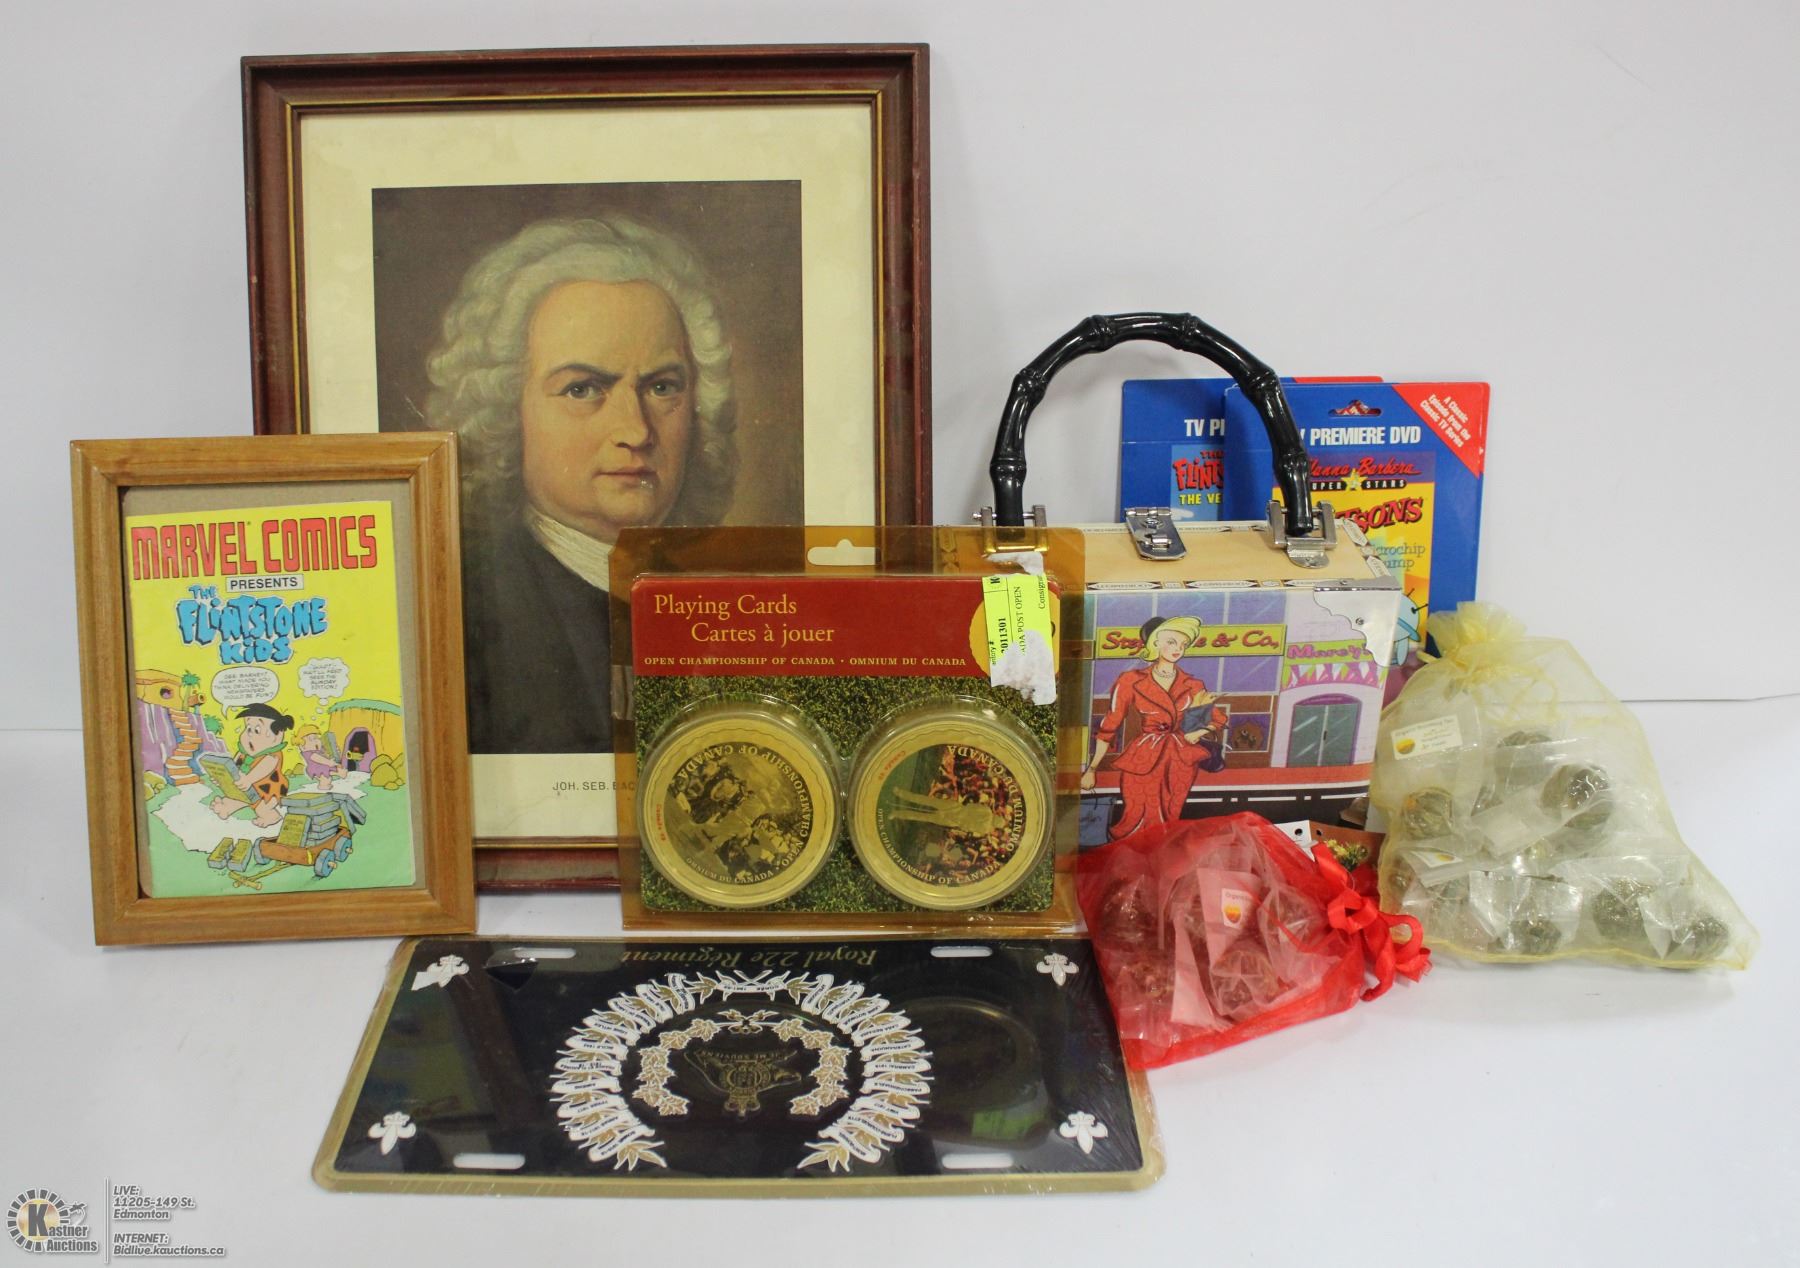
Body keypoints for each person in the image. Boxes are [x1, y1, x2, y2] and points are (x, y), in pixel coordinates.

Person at [422, 215, 737, 753]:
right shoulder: (464, 609)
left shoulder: (739, 601)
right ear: (508, 410)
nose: (636, 430)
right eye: (583, 389)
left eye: (662, 387)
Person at [1080, 616, 1228, 839]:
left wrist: (1200, 732)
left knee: (1169, 820)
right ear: (1154, 643)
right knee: (1134, 817)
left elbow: (1218, 718)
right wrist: (1092, 769)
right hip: (1143, 758)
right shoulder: (1130, 680)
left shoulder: (1192, 684)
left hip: (1180, 761)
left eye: (1183, 644)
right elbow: (1110, 725)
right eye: (1171, 642)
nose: (1178, 649)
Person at [210, 702, 294, 829]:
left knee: (261, 808)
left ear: (277, 736)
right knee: (235, 798)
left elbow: (264, 768)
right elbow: (233, 768)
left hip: (268, 789)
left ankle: (272, 816)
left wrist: (249, 779)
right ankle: (226, 807)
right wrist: (223, 778)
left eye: (257, 730)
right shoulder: (242, 753)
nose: (250, 734)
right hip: (247, 788)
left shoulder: (273, 755)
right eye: (248, 728)